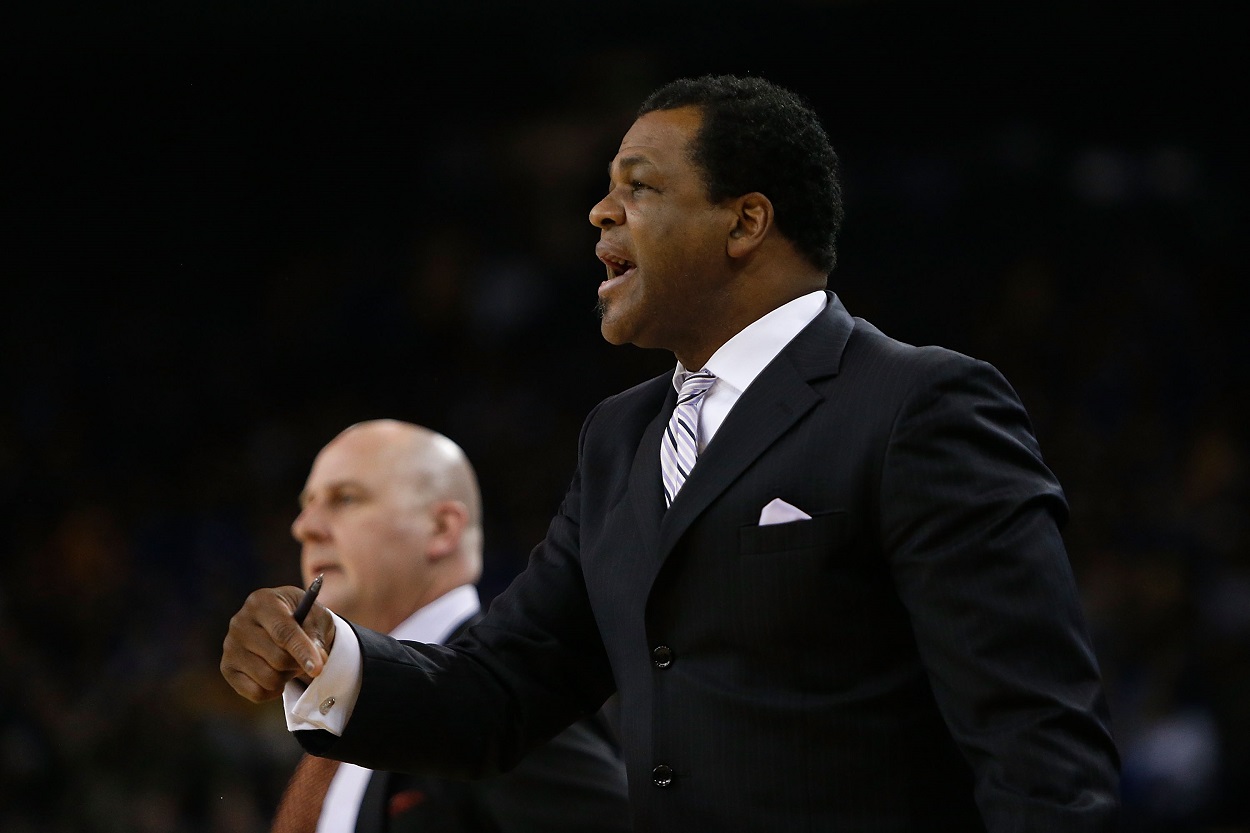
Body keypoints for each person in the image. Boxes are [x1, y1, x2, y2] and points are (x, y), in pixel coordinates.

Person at [223, 75, 1121, 832]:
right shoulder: (618, 439)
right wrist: (326, 658)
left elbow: (1038, 748)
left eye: (639, 186)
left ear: (745, 222)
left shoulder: (918, 404)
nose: (599, 209)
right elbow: (499, 685)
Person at [267, 419, 630, 832]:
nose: (305, 527)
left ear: (441, 529)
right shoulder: (347, 701)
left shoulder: (510, 696)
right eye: (307, 502)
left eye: (345, 498)